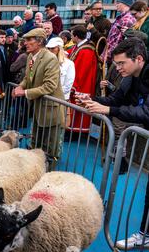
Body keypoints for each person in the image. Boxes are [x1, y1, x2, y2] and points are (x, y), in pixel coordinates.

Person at [76, 38, 149, 249]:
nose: (117, 68)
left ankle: (145, 234)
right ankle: (145, 233)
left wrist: (109, 111)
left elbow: (145, 112)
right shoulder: (130, 75)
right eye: (116, 64)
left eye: (121, 63)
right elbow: (115, 100)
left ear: (139, 59)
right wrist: (91, 100)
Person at [12, 28, 65, 167]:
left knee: (49, 148)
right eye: (25, 40)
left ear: (40, 42)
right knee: (36, 144)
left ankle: (48, 175)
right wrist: (21, 86)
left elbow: (49, 86)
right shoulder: (31, 56)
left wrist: (25, 93)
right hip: (38, 108)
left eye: (29, 40)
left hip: (50, 111)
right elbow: (27, 78)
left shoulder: (50, 59)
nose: (25, 43)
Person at [69, 25, 98, 132]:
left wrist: (73, 85)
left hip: (82, 85)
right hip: (78, 83)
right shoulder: (79, 47)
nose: (71, 38)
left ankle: (76, 131)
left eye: (72, 35)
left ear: (76, 36)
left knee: (78, 108)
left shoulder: (86, 51)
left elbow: (81, 71)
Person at [102, 0, 136, 64]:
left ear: (125, 4)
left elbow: (118, 42)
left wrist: (107, 56)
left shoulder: (126, 19)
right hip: (114, 57)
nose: (116, 5)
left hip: (116, 59)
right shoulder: (122, 18)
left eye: (118, 2)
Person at [46, 37, 75, 101]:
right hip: (46, 98)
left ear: (59, 49)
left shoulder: (69, 64)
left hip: (61, 99)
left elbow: (68, 85)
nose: (50, 50)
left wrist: (53, 94)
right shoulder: (45, 62)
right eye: (48, 48)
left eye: (53, 48)